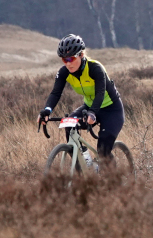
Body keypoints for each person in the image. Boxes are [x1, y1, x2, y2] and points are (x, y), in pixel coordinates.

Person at [37, 34, 125, 162]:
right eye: (64, 60)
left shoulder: (95, 68)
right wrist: (47, 111)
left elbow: (100, 93)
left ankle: (112, 179)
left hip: (111, 109)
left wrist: (93, 113)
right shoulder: (64, 72)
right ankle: (83, 165)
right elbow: (56, 93)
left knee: (103, 150)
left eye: (71, 59)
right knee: (69, 125)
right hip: (89, 107)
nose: (68, 63)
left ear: (81, 55)